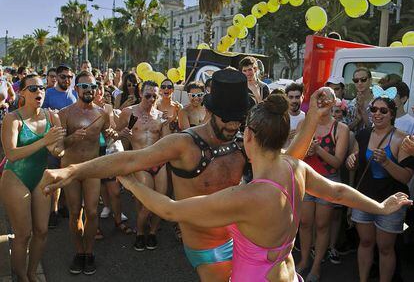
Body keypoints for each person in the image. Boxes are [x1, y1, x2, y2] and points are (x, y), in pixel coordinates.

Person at [41, 92, 412, 282]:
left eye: (240, 126)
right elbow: (338, 191)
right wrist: (380, 207)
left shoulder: (245, 196)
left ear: (248, 135)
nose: (235, 130)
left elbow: (169, 210)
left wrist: (127, 183)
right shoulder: (294, 167)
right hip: (280, 271)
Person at [0, 74, 65, 281]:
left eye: (42, 88)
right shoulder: (13, 118)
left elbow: (58, 151)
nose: (39, 92)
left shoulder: (51, 116)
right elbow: (11, 153)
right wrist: (44, 141)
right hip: (15, 177)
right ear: (22, 93)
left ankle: (31, 271)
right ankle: (21, 275)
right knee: (23, 234)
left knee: (42, 231)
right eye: (33, 89)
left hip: (40, 176)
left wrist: (57, 148)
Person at [346, 96, 414, 282]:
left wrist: (386, 162)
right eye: (374, 109)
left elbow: (406, 177)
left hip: (391, 201)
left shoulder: (402, 139)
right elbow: (353, 160)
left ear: (392, 114)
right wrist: (350, 161)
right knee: (366, 242)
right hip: (364, 199)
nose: (377, 114)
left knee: (385, 248)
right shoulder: (362, 135)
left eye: (383, 110)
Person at [58, 71, 113, 275]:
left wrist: (112, 135)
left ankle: (89, 253)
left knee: (91, 212)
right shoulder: (64, 113)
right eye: (84, 86)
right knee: (74, 212)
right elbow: (58, 145)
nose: (89, 90)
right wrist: (72, 138)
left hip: (92, 169)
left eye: (93, 86)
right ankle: (79, 252)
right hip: (71, 169)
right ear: (76, 88)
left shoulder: (102, 113)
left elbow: (109, 135)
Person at [297, 89, 349, 281]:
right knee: (304, 223)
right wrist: (306, 150)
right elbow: (296, 154)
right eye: (319, 99)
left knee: (322, 225)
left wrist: (317, 149)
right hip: (307, 179)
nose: (322, 102)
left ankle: (316, 266)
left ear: (334, 102)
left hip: (328, 181)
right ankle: (303, 260)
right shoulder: (305, 123)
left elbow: (337, 163)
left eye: (327, 99)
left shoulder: (340, 129)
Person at [116, 81, 169, 251]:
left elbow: (167, 142)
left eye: (155, 96)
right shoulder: (128, 112)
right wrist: (121, 134)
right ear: (140, 95)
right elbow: (114, 135)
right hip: (140, 162)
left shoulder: (161, 116)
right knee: (146, 202)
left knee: (160, 201)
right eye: (148, 95)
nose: (151, 99)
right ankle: (140, 233)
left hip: (159, 163)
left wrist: (168, 124)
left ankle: (152, 232)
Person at [93, 81, 131, 235]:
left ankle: (118, 221)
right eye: (94, 89)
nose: (98, 92)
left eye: (100, 89)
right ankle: (94, 227)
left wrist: (116, 133)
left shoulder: (109, 109)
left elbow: (113, 130)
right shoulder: (82, 110)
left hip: (109, 152)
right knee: (93, 194)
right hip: (92, 155)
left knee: (115, 191)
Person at [42, 64, 77, 228]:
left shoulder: (74, 93)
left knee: (67, 175)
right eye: (64, 77)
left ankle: (63, 206)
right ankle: (53, 211)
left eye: (70, 77)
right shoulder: (47, 93)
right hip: (55, 142)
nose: (67, 80)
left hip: (71, 141)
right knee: (55, 176)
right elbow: (41, 114)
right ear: (56, 77)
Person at [347, 68, 373, 132]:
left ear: (370, 80)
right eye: (356, 80)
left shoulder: (379, 103)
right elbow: (345, 129)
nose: (359, 83)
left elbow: (377, 129)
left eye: (363, 79)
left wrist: (363, 111)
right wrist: (357, 120)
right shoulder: (350, 104)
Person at [0, 65, 16, 158]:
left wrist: (8, 103)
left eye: (0, 70)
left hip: (2, 114)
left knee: (3, 140)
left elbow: (13, 95)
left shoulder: (5, 83)